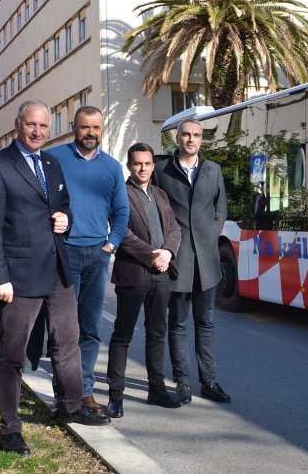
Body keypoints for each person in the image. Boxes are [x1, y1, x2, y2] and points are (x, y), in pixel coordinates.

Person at [0, 100, 109, 458]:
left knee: (67, 342)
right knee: (12, 355)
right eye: (31, 125)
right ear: (18, 124)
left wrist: (64, 218)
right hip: (18, 276)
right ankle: (10, 429)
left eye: (43, 126)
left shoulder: (51, 163)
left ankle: (69, 406)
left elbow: (62, 204)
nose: (37, 132)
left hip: (58, 270)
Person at [46, 106, 129, 414]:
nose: (91, 133)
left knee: (91, 328)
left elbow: (121, 211)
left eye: (96, 127)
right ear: (74, 127)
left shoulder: (111, 167)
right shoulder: (55, 158)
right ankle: (63, 393)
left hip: (97, 256)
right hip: (64, 255)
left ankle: (85, 391)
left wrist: (111, 244)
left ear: (102, 129)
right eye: (85, 127)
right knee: (64, 330)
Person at [153, 119, 231, 404]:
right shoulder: (162, 171)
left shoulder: (214, 170)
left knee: (206, 322)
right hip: (177, 259)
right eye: (186, 134)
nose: (191, 139)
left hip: (207, 261)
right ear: (177, 137)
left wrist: (212, 233)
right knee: (178, 323)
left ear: (202, 140)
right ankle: (183, 382)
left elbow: (220, 209)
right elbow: (156, 210)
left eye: (196, 135)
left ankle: (209, 381)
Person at [106, 143, 183, 418]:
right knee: (122, 335)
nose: (143, 168)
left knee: (157, 333)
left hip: (161, 273)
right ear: (129, 166)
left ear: (153, 165)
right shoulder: (121, 194)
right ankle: (116, 396)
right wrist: (151, 255)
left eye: (147, 163)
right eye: (138, 163)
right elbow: (122, 232)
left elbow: (174, 227)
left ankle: (156, 389)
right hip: (133, 274)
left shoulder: (160, 194)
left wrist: (167, 252)